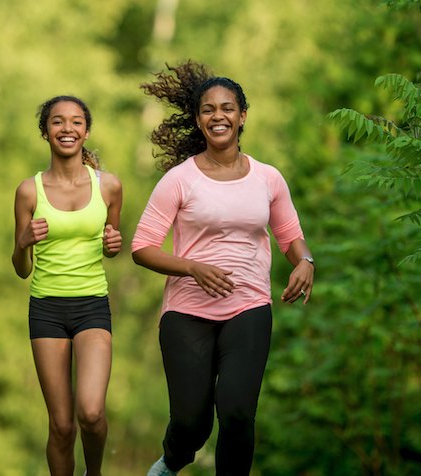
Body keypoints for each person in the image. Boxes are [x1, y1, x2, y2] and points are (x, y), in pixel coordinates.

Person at [132, 61, 315, 476]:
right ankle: (171, 462)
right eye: (209, 110)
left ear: (242, 116)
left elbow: (289, 236)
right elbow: (141, 248)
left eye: (228, 108)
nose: (219, 116)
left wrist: (305, 261)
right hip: (186, 314)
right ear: (198, 120)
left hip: (249, 306)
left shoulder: (268, 178)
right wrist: (192, 268)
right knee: (191, 425)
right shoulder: (179, 180)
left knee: (236, 412)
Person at [11, 95, 123, 476]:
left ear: (86, 131)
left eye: (76, 122)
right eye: (57, 122)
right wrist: (23, 242)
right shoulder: (29, 191)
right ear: (45, 132)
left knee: (90, 412)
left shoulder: (109, 187)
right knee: (60, 426)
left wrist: (113, 245)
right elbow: (21, 269)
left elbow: (112, 247)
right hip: (46, 309)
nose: (67, 128)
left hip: (92, 305)